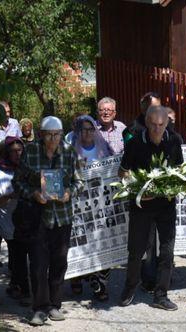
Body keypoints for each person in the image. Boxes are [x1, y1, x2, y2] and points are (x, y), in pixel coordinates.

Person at [12, 116, 84, 325]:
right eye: (48, 135)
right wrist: (33, 193)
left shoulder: (69, 152)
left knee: (59, 262)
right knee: (37, 264)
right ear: (41, 134)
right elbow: (17, 181)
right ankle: (40, 308)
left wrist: (70, 192)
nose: (53, 139)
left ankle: (55, 304)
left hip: (62, 217)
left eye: (57, 134)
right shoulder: (32, 150)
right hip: (38, 216)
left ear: (61, 134)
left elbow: (79, 181)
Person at [118, 105, 183, 311]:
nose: (157, 129)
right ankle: (130, 287)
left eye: (161, 125)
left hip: (166, 206)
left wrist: (174, 188)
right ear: (147, 122)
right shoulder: (135, 142)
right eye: (153, 125)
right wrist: (137, 188)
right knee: (136, 250)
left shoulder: (173, 140)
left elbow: (180, 170)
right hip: (142, 205)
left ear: (166, 123)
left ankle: (161, 294)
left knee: (167, 251)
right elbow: (123, 172)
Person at [69, 115, 113, 301]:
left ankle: (100, 285)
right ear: (78, 131)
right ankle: (77, 277)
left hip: (101, 201)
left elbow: (113, 168)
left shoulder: (104, 148)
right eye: (84, 129)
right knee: (82, 240)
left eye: (91, 129)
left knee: (102, 240)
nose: (88, 132)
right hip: (79, 204)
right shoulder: (70, 150)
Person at [0, 137, 30, 304]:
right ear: (7, 153)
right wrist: (11, 196)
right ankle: (22, 289)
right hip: (6, 221)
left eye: (20, 150)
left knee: (20, 254)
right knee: (17, 254)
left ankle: (18, 285)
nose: (18, 154)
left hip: (25, 219)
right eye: (13, 151)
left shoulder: (27, 169)